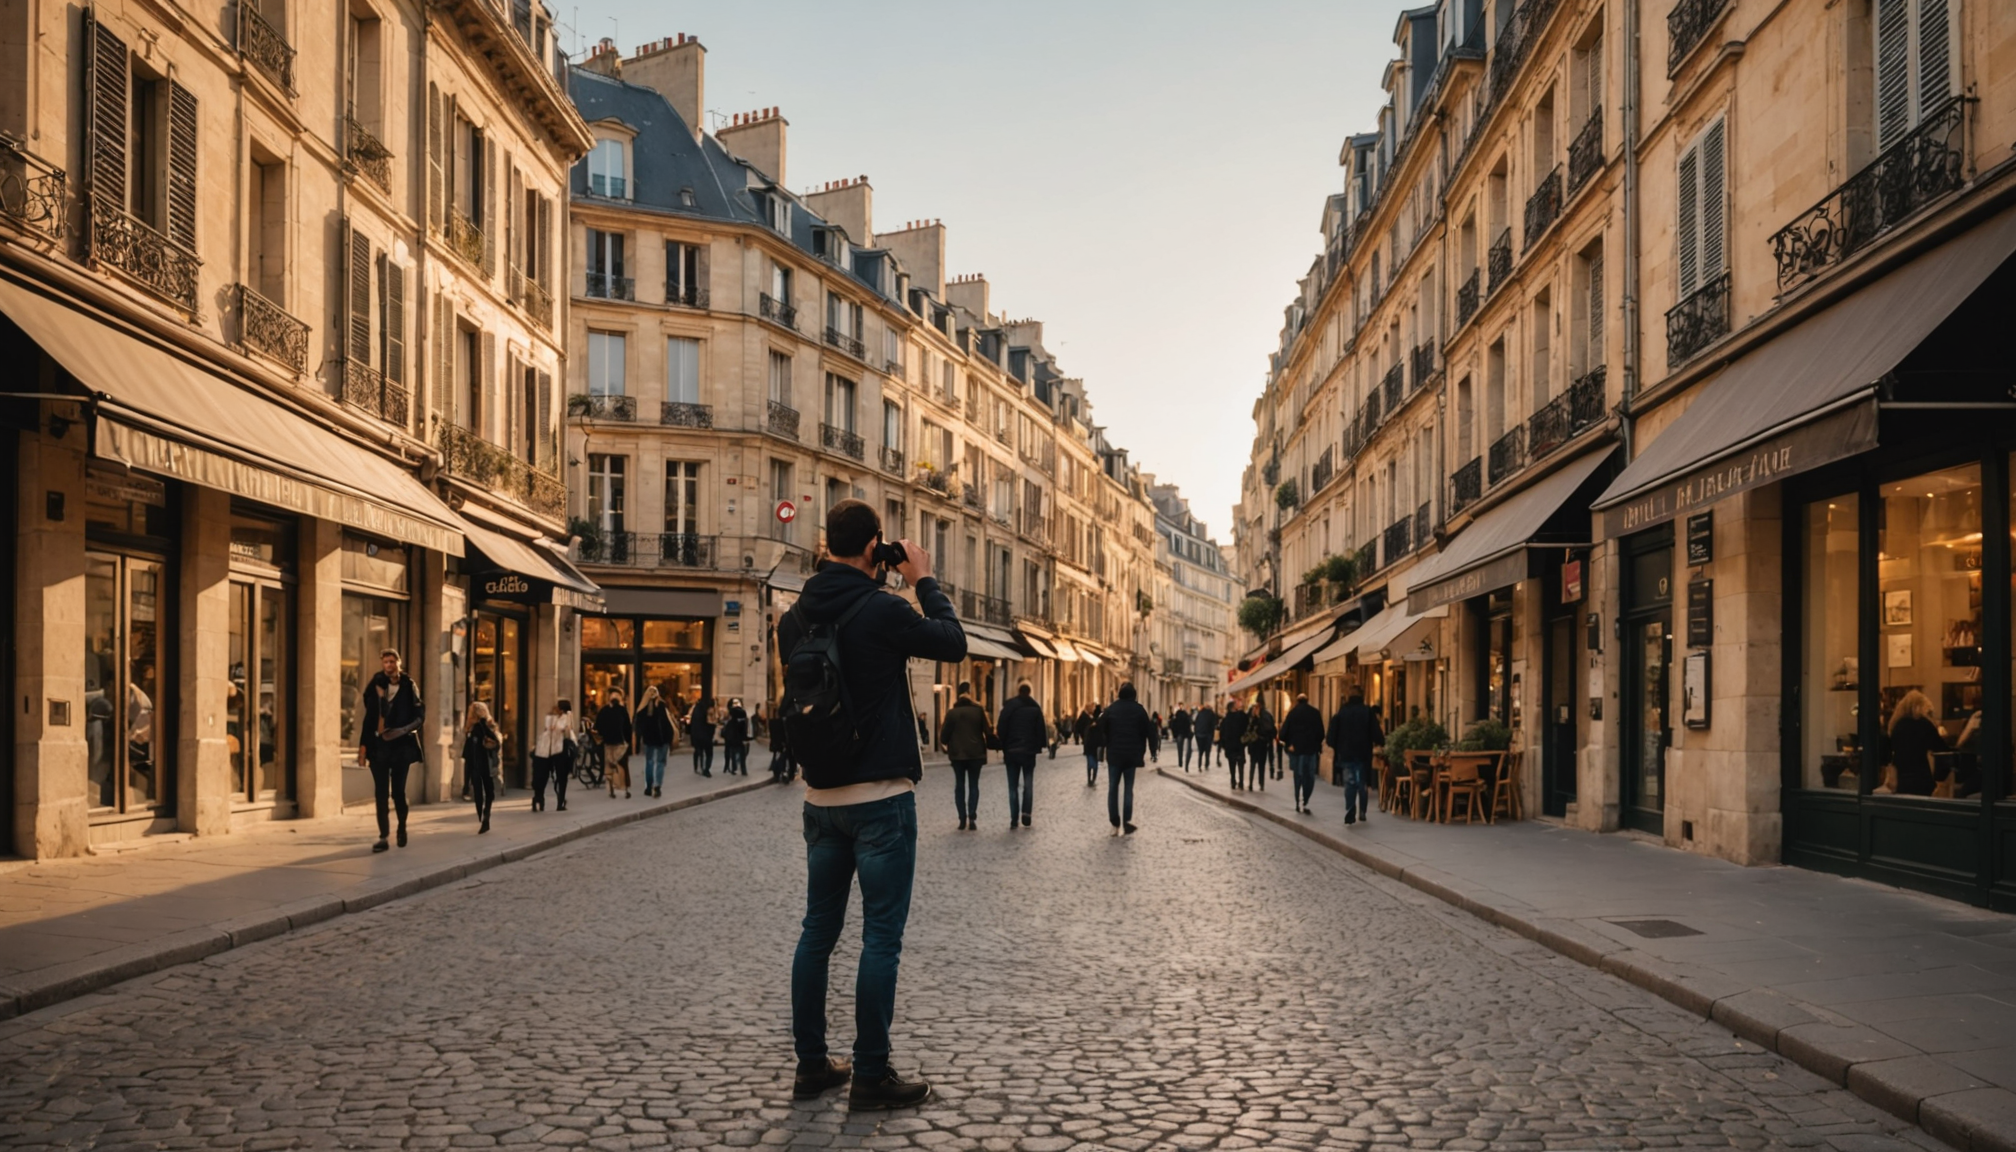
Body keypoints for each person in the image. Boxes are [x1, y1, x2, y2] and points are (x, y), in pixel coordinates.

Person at [776, 499, 963, 1110]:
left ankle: (811, 1066)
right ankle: (871, 1074)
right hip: (881, 798)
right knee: (881, 937)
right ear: (872, 546)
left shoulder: (793, 618)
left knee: (817, 933)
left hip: (820, 798)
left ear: (826, 544)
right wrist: (922, 579)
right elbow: (953, 642)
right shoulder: (884, 609)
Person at [357, 649, 423, 852]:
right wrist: (363, 748)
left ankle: (401, 827)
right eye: (386, 662)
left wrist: (404, 730)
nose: (389, 665)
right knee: (381, 793)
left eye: (392, 661)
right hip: (379, 747)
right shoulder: (376, 684)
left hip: (401, 747)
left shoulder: (408, 685)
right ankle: (383, 836)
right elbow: (369, 717)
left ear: (398, 663)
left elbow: (420, 715)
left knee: (398, 793)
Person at [1096, 683, 1157, 836]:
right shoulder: (1139, 710)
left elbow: (1100, 726)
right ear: (1134, 695)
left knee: (1113, 788)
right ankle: (1126, 821)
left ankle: (1114, 822)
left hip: (1114, 755)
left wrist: (1104, 744)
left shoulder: (1111, 709)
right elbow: (1150, 731)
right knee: (1128, 789)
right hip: (1132, 755)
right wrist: (1153, 751)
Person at [938, 682, 991, 831]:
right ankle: (972, 816)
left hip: (957, 755)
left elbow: (943, 737)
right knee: (974, 785)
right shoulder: (978, 711)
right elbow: (988, 731)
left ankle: (962, 818)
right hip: (976, 754)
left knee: (959, 785)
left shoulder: (952, 713)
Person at [1327, 690, 1384, 825]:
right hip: (1363, 754)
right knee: (1362, 782)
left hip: (1346, 754)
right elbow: (1376, 731)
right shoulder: (1367, 712)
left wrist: (1337, 747)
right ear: (1362, 697)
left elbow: (1331, 735)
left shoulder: (1342, 712)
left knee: (1349, 782)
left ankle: (1350, 809)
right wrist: (1380, 742)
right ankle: (1362, 810)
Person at [997, 682, 1047, 828]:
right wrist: (1038, 746)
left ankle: (1014, 818)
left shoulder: (1009, 708)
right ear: (1029, 692)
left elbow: (1001, 728)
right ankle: (1026, 813)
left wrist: (1004, 745)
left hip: (1012, 751)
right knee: (1028, 784)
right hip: (1028, 752)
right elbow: (1040, 731)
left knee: (1012, 786)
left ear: (1018, 692)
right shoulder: (1035, 708)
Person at [1885, 690, 1948, 796]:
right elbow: (1941, 749)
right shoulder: (1924, 724)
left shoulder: (1896, 726)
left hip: (1901, 779)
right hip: (1921, 778)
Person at [1280, 693, 1327, 814]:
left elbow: (1283, 734)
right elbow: (1321, 733)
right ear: (1307, 700)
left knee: (1298, 776)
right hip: (1311, 750)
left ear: (1297, 701)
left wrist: (1290, 743)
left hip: (1297, 750)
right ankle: (1305, 800)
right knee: (1309, 777)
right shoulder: (1315, 713)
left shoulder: (1292, 713)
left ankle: (1298, 801)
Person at [462, 701, 501, 833]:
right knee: (489, 792)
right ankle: (486, 815)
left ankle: (483, 816)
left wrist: (466, 783)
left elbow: (468, 755)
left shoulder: (473, 729)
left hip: (476, 765)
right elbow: (497, 743)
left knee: (480, 793)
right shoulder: (484, 726)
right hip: (485, 764)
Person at [530, 699, 574, 812]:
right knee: (552, 776)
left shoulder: (563, 717)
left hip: (553, 748)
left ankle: (553, 800)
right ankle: (547, 799)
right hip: (551, 748)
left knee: (554, 776)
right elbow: (560, 730)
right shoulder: (555, 717)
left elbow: (561, 729)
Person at [635, 687, 676, 798]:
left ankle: (649, 787)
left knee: (649, 762)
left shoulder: (642, 708)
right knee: (660, 762)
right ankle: (657, 785)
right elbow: (668, 723)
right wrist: (670, 738)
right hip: (662, 739)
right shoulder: (662, 705)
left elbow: (638, 725)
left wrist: (640, 738)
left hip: (649, 739)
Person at [596, 690, 634, 799]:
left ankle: (611, 788)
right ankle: (624, 788)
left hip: (608, 743)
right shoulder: (622, 711)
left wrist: (603, 736)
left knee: (609, 766)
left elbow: (598, 726)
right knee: (622, 765)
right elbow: (627, 728)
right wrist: (628, 742)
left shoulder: (603, 710)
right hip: (620, 742)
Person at [1219, 698, 1250, 789]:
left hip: (1230, 746)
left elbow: (1222, 733)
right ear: (1233, 708)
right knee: (1240, 764)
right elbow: (1246, 724)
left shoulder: (1225, 720)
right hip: (1239, 745)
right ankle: (1241, 782)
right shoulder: (1240, 717)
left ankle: (1233, 780)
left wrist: (1224, 745)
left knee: (1232, 764)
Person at [687, 696, 718, 777]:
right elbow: (711, 723)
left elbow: (692, 723)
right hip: (706, 735)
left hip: (697, 735)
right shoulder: (709, 710)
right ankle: (706, 769)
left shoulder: (696, 708)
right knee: (708, 753)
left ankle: (697, 767)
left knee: (698, 751)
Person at [1249, 699, 1277, 788]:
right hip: (1262, 743)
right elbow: (1273, 730)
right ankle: (1260, 784)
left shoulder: (1260, 716)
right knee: (1260, 764)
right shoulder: (1267, 715)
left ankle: (1252, 783)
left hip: (1258, 743)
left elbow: (1252, 728)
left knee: (1254, 763)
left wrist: (1256, 718)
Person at [1076, 703, 1105, 787]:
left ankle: (1092, 779)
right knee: (1092, 762)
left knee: (1093, 762)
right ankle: (1090, 779)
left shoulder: (1094, 719)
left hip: (1092, 744)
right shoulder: (1087, 718)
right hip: (1091, 744)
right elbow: (1079, 727)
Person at [723, 697, 752, 776]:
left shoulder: (736, 714)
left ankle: (735, 768)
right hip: (737, 738)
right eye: (734, 703)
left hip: (735, 737)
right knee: (739, 753)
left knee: (736, 752)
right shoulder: (738, 714)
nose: (736, 704)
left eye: (737, 702)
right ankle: (740, 769)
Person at [1193, 703, 1219, 771]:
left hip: (1199, 735)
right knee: (1207, 751)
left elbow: (1196, 723)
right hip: (1208, 735)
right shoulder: (1211, 714)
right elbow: (1215, 723)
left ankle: (1199, 765)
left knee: (1200, 751)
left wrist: (1196, 733)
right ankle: (1206, 765)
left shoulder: (1200, 713)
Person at [1169, 706, 1194, 771]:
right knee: (1187, 749)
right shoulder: (1186, 717)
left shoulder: (1176, 718)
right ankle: (1185, 764)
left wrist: (1175, 735)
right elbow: (1189, 725)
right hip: (1186, 734)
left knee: (1180, 749)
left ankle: (1180, 762)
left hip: (1179, 734)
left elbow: (1172, 726)